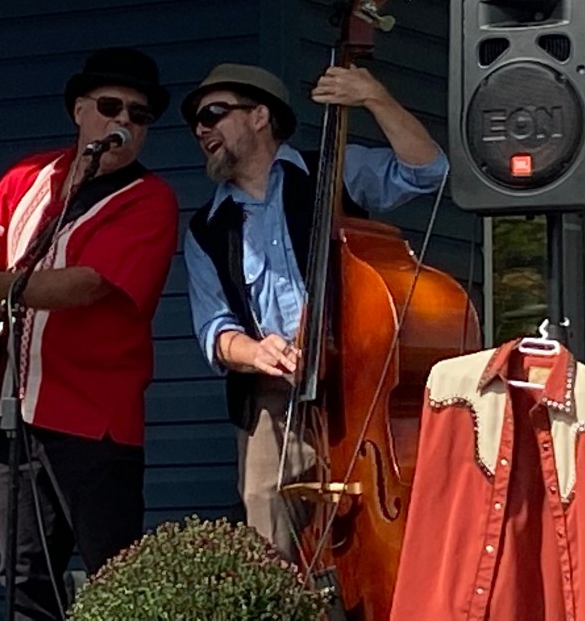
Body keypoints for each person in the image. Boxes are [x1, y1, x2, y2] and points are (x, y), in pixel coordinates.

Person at [0, 47, 179, 621]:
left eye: (139, 115)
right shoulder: (27, 179)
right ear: (80, 110)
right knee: (22, 577)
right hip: (19, 410)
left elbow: (87, 285)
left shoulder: (151, 199)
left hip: (95, 418)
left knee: (115, 576)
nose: (124, 123)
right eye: (111, 107)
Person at [181, 62, 447, 560]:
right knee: (266, 522)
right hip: (276, 396)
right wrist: (254, 351)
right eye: (196, 121)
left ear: (259, 116)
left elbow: (426, 171)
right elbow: (214, 329)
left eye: (214, 114)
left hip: (361, 383)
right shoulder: (205, 229)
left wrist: (374, 95)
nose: (202, 129)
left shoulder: (334, 170)